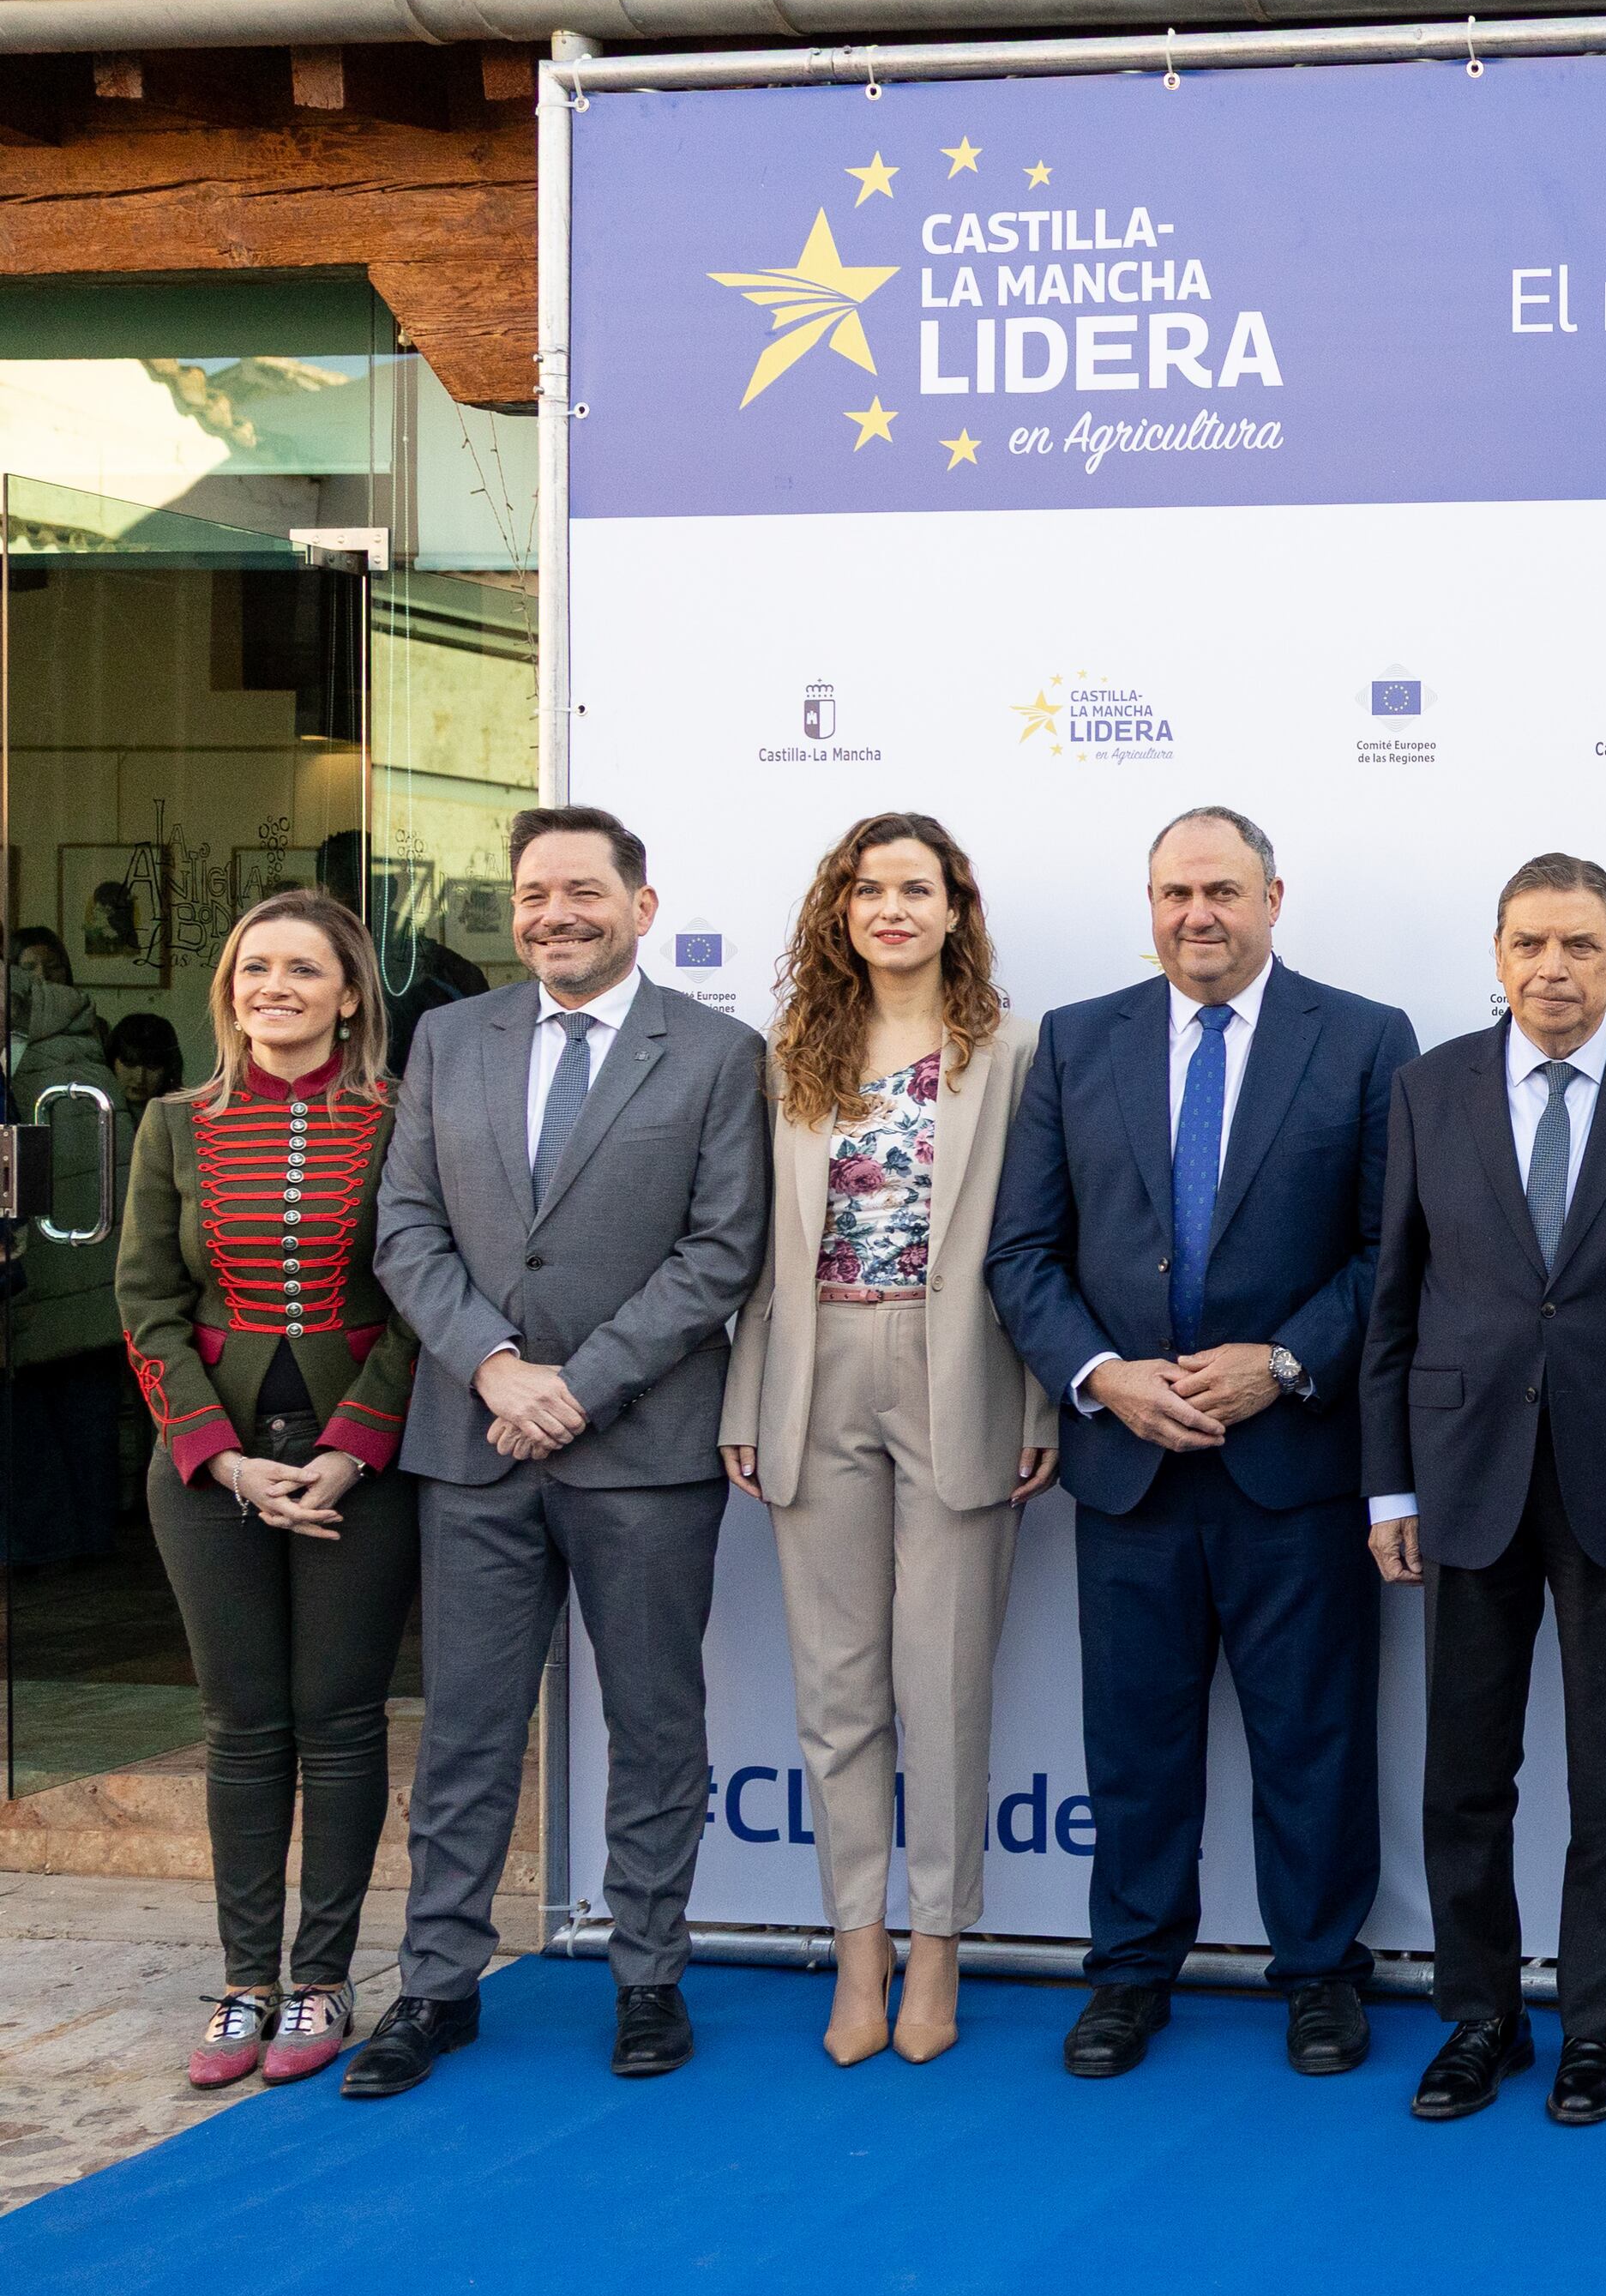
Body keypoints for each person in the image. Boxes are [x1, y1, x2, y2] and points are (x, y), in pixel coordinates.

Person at [343, 806, 771, 2094]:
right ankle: (436, 1986)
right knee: (468, 1728)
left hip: (639, 1448)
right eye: (533, 893)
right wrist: (495, 1366)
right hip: (473, 1441)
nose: (553, 914)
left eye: (582, 889)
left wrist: (574, 1387)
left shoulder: (714, 1051)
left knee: (653, 1721)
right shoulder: (447, 1038)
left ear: (642, 904)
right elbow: (405, 1225)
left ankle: (649, 1977)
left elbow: (720, 1250)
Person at [987, 806, 1417, 2083]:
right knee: (1134, 1743)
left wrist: (1279, 1363)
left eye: (1222, 890)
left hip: (1292, 1463)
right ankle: (1128, 1974)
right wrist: (1102, 1376)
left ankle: (1324, 1974)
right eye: (1175, 891)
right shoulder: (1077, 1041)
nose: (1197, 915)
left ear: (1274, 897)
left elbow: (1393, 1248)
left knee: (1314, 1736)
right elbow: (1022, 1251)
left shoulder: (1363, 1038)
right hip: (1128, 1466)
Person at [1368, 853, 1606, 2129]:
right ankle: (1481, 2018)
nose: (1554, 967)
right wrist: (1386, 1490)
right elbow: (1396, 1302)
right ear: (1497, 954)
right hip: (1465, 1475)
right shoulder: (1429, 1090)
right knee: (1463, 1772)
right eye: (1530, 943)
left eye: (1581, 944)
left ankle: (1598, 2027)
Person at [719, 813, 1058, 2068]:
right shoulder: (792, 1050)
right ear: (841, 911)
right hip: (816, 1372)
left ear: (957, 909)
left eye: (918, 888)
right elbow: (757, 1251)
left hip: (959, 1367)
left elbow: (1036, 1246)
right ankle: (856, 1947)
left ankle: (937, 1948)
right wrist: (745, 1397)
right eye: (870, 889)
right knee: (839, 1689)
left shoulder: (1017, 1051)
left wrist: (1035, 1403)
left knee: (945, 1683)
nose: (893, 908)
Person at [117, 891, 417, 2089]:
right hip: (210, 1464)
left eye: (303, 968)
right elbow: (144, 1303)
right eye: (254, 967)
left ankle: (326, 1976)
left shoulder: (401, 1119)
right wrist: (223, 1455)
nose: (273, 986)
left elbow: (415, 1300)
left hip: (361, 1458)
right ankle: (246, 1981)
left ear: (350, 994)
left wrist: (348, 1446)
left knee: (339, 1721)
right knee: (242, 1725)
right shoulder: (174, 1123)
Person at [3, 942, 128, 1570]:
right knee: (84, 1412)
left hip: (45, 1261)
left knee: (37, 1416)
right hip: (95, 1260)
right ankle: (90, 1540)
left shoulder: (25, 1062)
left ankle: (49, 1545)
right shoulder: (81, 1049)